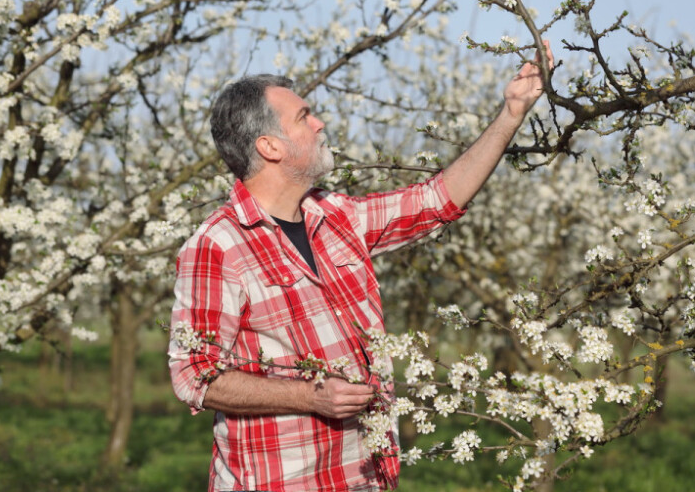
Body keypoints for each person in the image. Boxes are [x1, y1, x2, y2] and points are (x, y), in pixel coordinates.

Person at [168, 41, 555, 492]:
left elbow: (436, 200)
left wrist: (511, 113)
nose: (320, 123)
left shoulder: (337, 217)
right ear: (270, 146)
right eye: (304, 117)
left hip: (365, 478)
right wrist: (308, 396)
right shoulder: (219, 246)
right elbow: (195, 375)